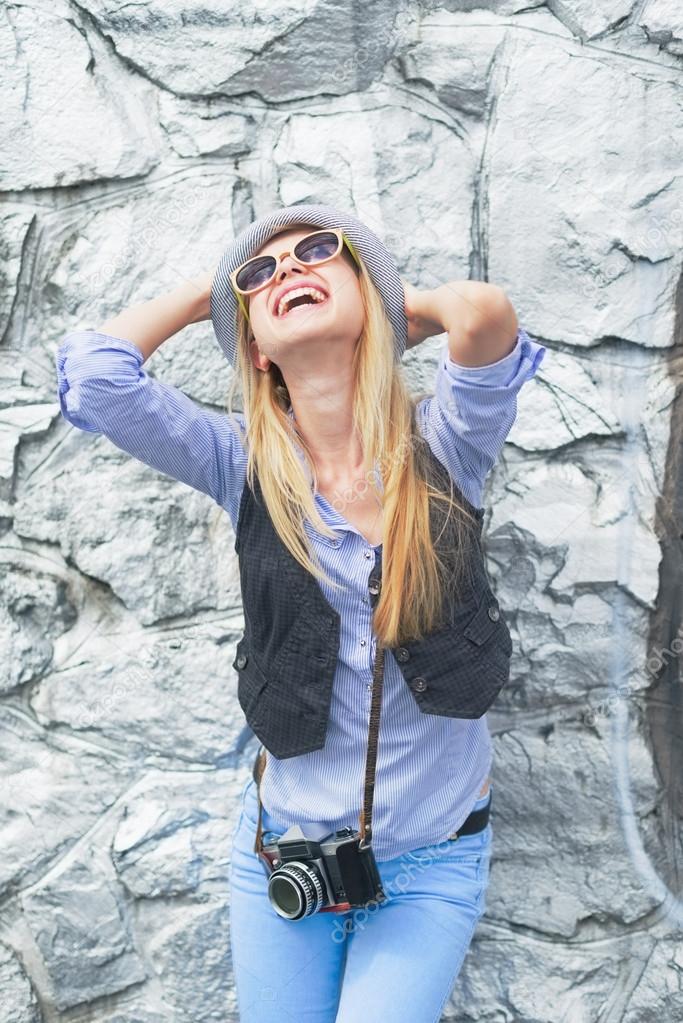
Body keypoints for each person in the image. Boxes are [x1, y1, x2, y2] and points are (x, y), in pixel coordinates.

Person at [55, 203, 546, 1022]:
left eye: (320, 254)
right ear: (254, 346)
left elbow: (484, 315)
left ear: (373, 301)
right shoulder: (239, 463)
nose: (286, 270)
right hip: (282, 853)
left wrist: (396, 310)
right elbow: (100, 376)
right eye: (262, 274)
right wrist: (215, 290)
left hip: (430, 865)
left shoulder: (449, 442)